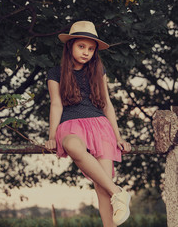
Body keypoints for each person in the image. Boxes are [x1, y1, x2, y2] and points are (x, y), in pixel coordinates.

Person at [45, 21, 131, 227]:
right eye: (81, 46)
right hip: (70, 125)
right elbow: (56, 104)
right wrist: (50, 136)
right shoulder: (55, 73)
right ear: (70, 46)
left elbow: (107, 104)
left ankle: (113, 198)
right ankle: (118, 192)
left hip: (100, 125)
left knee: (102, 189)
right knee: (72, 145)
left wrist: (118, 137)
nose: (86, 52)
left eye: (91, 49)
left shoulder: (98, 70)